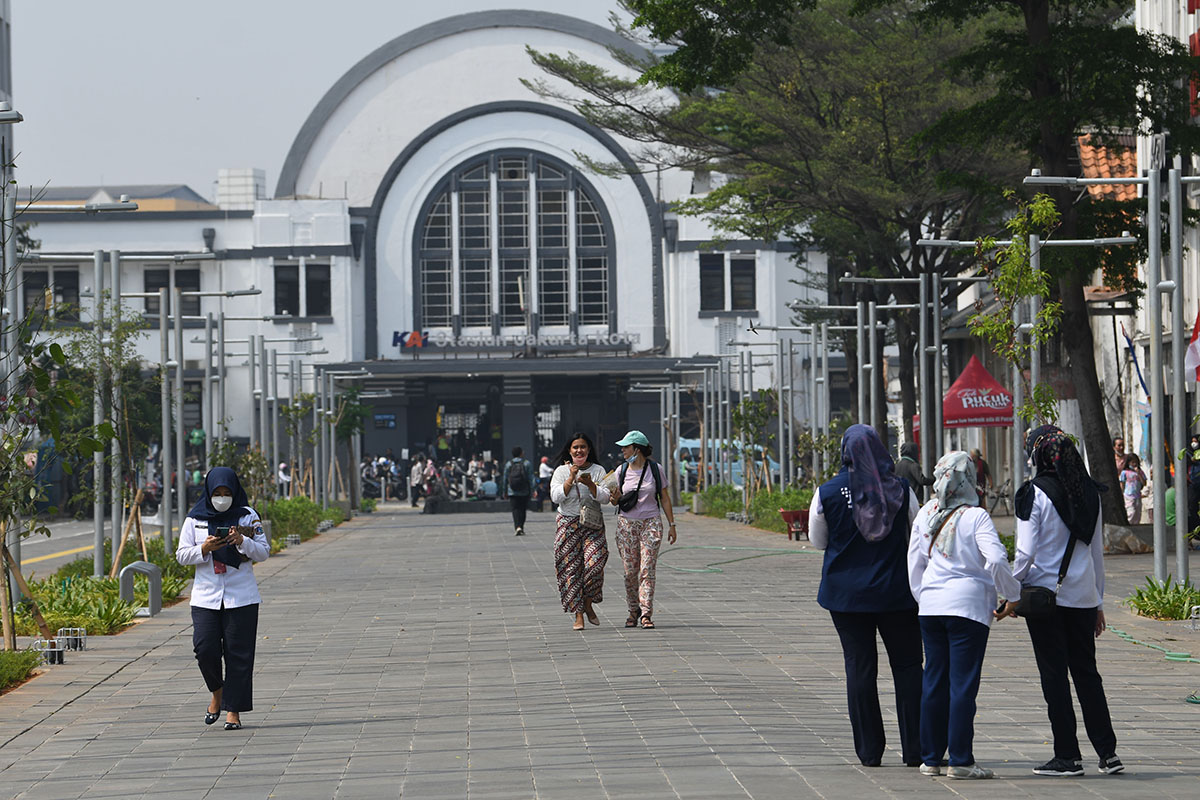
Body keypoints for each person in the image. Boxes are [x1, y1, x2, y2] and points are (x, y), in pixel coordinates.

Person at [998, 425, 1123, 777]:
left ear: (1038, 455)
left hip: (1046, 600)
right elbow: (1097, 553)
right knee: (1087, 674)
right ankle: (1108, 753)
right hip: (1082, 598)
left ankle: (1067, 755)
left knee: (1054, 676)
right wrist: (1098, 602)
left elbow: (1024, 554)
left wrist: (1009, 591)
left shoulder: (1034, 494)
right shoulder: (1090, 492)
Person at [807, 423, 922, 768]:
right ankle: (916, 749)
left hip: (847, 597)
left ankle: (870, 752)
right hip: (896, 594)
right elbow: (916, 534)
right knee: (908, 667)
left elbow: (818, 541)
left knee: (860, 668)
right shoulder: (901, 489)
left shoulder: (826, 492)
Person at [908, 452, 1021, 780]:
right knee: (962, 685)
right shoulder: (976, 517)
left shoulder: (926, 512)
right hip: (968, 610)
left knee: (934, 681)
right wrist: (1011, 595)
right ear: (969, 478)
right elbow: (997, 560)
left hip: (931, 608)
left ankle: (930, 758)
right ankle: (960, 759)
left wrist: (925, 598)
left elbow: (914, 564)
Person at [175, 467, 270, 731]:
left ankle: (233, 711)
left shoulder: (248, 516)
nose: (222, 498)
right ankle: (217, 692)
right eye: (217, 493)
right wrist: (203, 549)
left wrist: (241, 541)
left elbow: (263, 552)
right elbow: (181, 555)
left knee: (239, 655)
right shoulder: (194, 519)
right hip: (206, 597)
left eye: (227, 493)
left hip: (242, 597)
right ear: (208, 492)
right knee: (204, 649)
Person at [610, 430, 676, 630]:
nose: (622, 450)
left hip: (651, 523)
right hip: (626, 525)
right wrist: (615, 496)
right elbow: (613, 500)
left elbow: (664, 497)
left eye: (626, 447)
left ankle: (646, 613)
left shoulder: (656, 469)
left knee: (647, 569)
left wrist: (672, 525)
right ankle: (633, 610)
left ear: (636, 449)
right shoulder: (620, 471)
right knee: (630, 571)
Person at [550, 432, 611, 631]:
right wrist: (570, 479)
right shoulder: (560, 471)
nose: (579, 451)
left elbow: (605, 497)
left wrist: (590, 484)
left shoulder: (598, 470)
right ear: (570, 450)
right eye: (575, 447)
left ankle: (587, 601)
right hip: (568, 525)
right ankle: (578, 615)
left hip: (592, 525)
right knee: (572, 571)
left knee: (595, 564)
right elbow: (555, 497)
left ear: (589, 450)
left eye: (583, 447)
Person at [502, 446, 534, 535]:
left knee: (515, 509)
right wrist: (533, 490)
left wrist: (504, 491)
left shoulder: (509, 464)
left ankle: (517, 527)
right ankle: (521, 526)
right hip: (524, 491)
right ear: (521, 453)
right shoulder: (527, 463)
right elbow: (531, 478)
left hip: (512, 491)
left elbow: (505, 479)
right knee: (523, 509)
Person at [1118, 454, 1146, 524]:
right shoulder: (1125, 472)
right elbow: (1122, 483)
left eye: (1136, 462)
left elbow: (1144, 483)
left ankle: (1136, 524)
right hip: (1129, 496)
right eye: (1133, 462)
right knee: (1131, 512)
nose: (1134, 464)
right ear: (1128, 463)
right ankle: (1129, 523)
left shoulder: (1140, 472)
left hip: (1137, 495)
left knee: (1138, 512)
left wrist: (1139, 474)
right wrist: (1122, 493)